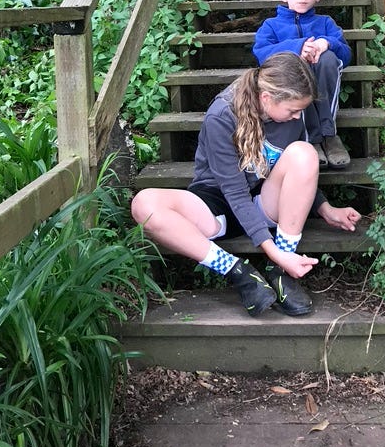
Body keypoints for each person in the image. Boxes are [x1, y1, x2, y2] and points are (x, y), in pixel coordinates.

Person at [131, 51, 361, 318]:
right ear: (267, 98)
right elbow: (235, 193)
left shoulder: (290, 117)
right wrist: (272, 251)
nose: (299, 117)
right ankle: (239, 273)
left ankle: (281, 275)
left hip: (265, 199)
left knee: (305, 152)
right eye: (293, 110)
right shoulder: (222, 115)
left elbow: (296, 171)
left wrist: (325, 208)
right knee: (144, 204)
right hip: (219, 202)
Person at [253, 0, 352, 169]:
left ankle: (329, 135)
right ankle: (311, 138)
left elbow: (346, 54)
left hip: (323, 79)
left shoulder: (325, 23)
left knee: (328, 59)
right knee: (295, 65)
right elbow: (262, 54)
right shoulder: (271, 25)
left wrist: (327, 43)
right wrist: (298, 48)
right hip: (293, 85)